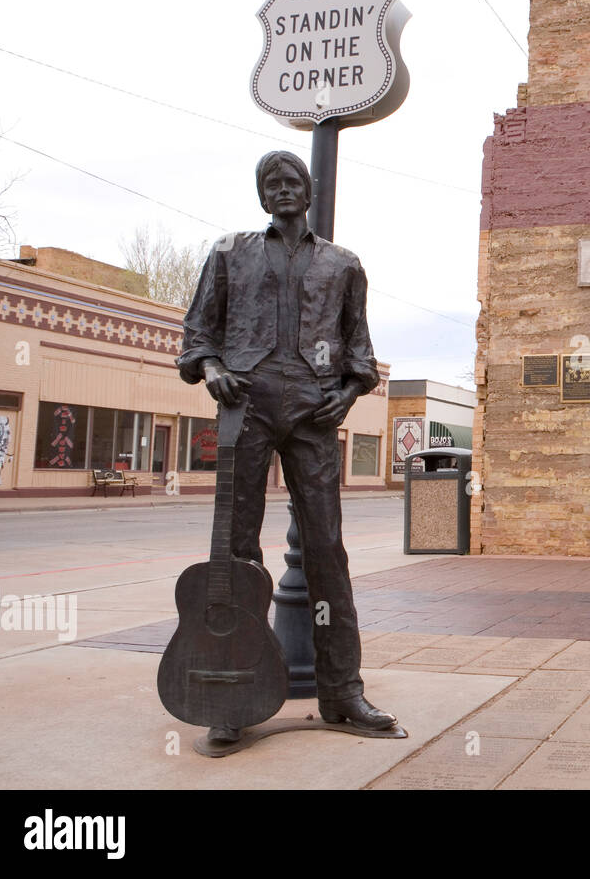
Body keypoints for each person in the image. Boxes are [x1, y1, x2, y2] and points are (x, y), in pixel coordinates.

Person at [177, 150, 396, 743]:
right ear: (260, 195)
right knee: (234, 550)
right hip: (245, 405)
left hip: (313, 414)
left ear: (308, 189)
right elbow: (197, 334)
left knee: (327, 549)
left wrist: (347, 396)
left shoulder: (344, 264)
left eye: (291, 180)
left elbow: (360, 353)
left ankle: (342, 691)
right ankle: (230, 695)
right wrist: (214, 366)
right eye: (270, 183)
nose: (281, 189)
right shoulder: (229, 252)